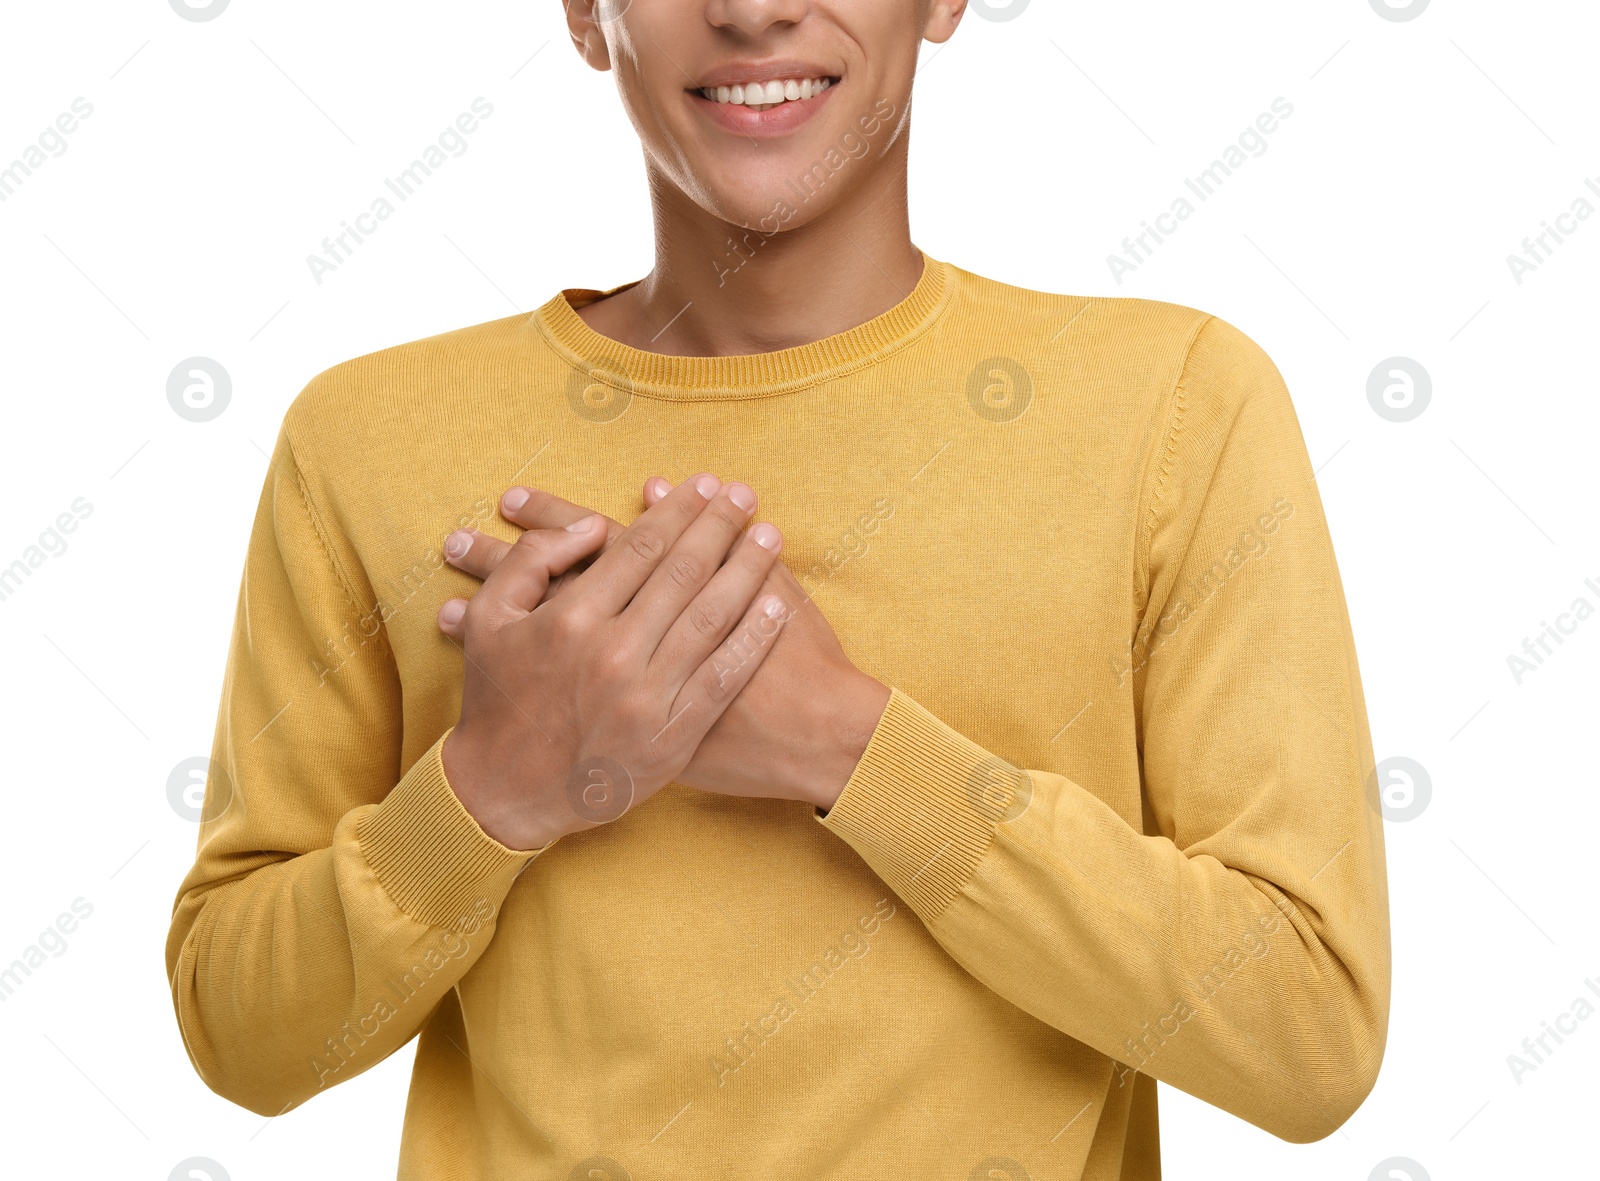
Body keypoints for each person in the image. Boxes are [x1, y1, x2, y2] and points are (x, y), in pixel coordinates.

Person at [166, 1, 1391, 1177]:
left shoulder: (1171, 406)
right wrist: (494, 787)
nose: (754, 8)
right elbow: (241, 1036)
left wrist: (849, 748)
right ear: (586, 13)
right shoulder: (365, 437)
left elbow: (1307, 1034)